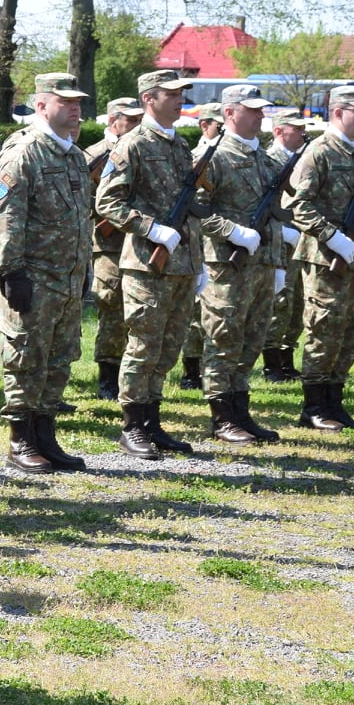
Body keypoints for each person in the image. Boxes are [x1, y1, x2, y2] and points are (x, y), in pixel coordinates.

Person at [94, 69, 206, 459]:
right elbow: (107, 202)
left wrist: (198, 261)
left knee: (168, 348)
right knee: (143, 346)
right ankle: (132, 426)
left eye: (180, 93)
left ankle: (152, 422)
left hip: (181, 264)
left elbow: (187, 207)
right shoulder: (133, 144)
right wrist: (151, 229)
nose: (179, 99)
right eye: (170, 94)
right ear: (148, 99)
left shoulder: (179, 145)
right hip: (146, 265)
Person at [0, 73, 93, 473]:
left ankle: (45, 435)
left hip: (67, 277)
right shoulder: (24, 154)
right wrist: (11, 271)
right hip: (32, 277)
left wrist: (83, 267)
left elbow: (81, 218)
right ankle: (21, 440)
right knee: (25, 357)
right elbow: (5, 217)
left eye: (77, 101)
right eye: (66, 101)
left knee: (59, 358)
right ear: (41, 105)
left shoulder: (73, 156)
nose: (75, 108)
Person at [195, 84, 283, 444]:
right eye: (252, 110)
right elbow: (196, 208)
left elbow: (274, 216)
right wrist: (231, 231)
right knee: (223, 338)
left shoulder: (267, 159)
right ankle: (222, 417)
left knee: (252, 338)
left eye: (262, 110)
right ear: (229, 112)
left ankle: (240, 410)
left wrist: (278, 264)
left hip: (262, 265)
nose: (260, 116)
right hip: (226, 266)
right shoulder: (213, 156)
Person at [284, 85, 354, 431]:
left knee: (351, 331)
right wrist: (331, 235)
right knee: (324, 329)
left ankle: (335, 402)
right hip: (325, 258)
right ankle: (314, 407)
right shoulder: (318, 152)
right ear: (338, 112)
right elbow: (297, 205)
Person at [85, 97, 143, 401]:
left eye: (139, 119)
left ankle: (134, 374)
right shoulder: (95, 155)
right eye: (130, 120)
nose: (136, 125)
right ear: (113, 121)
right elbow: (81, 200)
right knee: (111, 306)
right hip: (109, 245)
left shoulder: (142, 149)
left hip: (140, 241)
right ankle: (108, 376)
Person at [177, 103, 224, 390]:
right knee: (195, 315)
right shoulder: (195, 158)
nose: (223, 130)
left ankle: (213, 369)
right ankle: (191, 371)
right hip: (200, 244)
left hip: (222, 246)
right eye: (219, 125)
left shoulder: (224, 155)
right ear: (204, 125)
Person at [261, 112, 310, 381]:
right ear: (279, 131)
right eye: (296, 128)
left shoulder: (302, 159)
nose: (302, 132)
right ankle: (272, 365)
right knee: (280, 302)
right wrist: (283, 232)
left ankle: (286, 357)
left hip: (301, 240)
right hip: (279, 243)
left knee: (298, 302)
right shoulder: (269, 160)